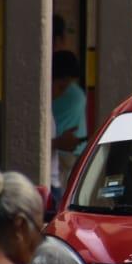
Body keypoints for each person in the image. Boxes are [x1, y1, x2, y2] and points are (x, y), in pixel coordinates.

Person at [51, 50, 87, 202]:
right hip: (62, 157)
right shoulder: (75, 95)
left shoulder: (73, 95)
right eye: (61, 86)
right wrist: (59, 142)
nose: (62, 91)